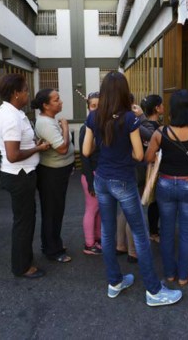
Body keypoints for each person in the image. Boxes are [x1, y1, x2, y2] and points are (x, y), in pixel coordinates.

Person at [82, 71, 182, 307]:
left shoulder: (94, 116)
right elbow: (139, 154)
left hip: (102, 179)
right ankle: (154, 291)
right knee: (140, 233)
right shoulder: (129, 119)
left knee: (107, 233)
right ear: (124, 92)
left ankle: (115, 282)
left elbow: (86, 151)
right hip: (124, 181)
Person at [145, 89, 188, 286]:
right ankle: (184, 275)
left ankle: (170, 273)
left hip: (165, 183)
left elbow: (147, 158)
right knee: (187, 232)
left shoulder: (160, 132)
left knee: (167, 230)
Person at [0, 74, 50, 279]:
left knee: (25, 219)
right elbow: (13, 154)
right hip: (19, 175)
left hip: (21, 174)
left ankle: (24, 259)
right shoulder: (10, 116)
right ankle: (22, 266)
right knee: (24, 222)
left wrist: (34, 145)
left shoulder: (13, 112)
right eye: (25, 90)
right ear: (16, 93)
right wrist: (38, 148)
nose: (28, 93)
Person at [32, 88, 75, 263]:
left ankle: (53, 244)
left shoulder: (49, 120)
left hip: (58, 171)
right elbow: (62, 149)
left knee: (56, 210)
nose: (61, 102)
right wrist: (65, 128)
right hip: (51, 173)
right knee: (52, 211)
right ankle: (52, 250)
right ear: (46, 105)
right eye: (56, 100)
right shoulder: (45, 123)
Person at [138, 94, 164, 242]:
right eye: (161, 104)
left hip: (145, 166)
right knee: (155, 201)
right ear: (157, 108)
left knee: (153, 200)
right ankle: (153, 232)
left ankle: (153, 230)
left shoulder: (142, 125)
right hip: (154, 167)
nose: (163, 107)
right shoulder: (154, 128)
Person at [79, 92, 102, 255]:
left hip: (100, 174)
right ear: (88, 107)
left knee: (99, 210)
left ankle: (98, 239)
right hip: (91, 174)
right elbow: (84, 157)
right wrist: (90, 179)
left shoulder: (101, 125)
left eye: (100, 106)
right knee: (92, 209)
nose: (96, 109)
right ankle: (89, 243)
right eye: (93, 106)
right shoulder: (85, 128)